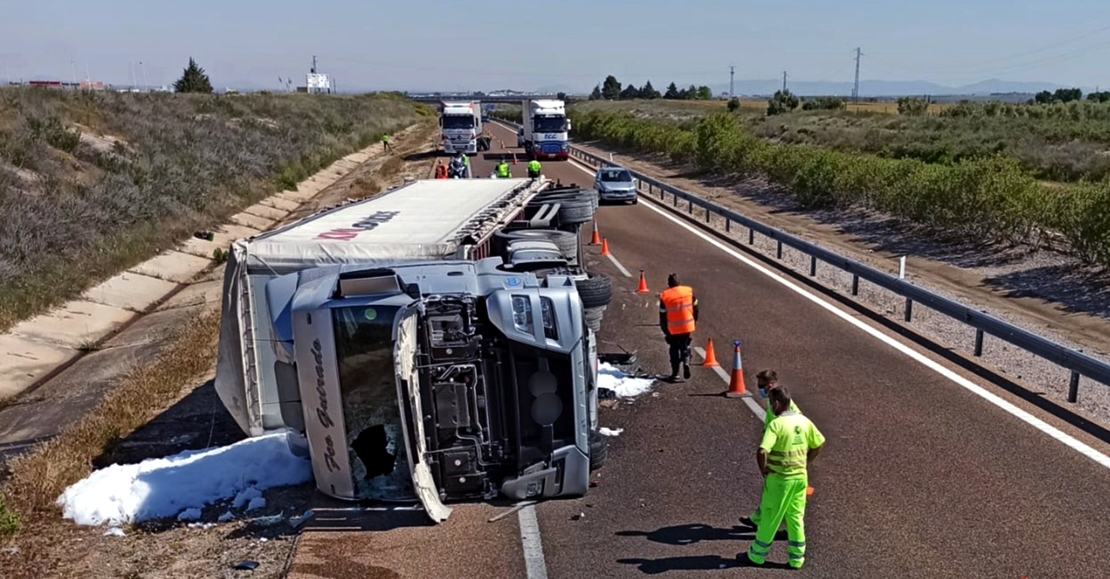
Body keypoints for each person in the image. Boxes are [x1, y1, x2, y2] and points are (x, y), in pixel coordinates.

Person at [744, 386, 825, 570]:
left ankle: (756, 555)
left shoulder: (777, 424)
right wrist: (805, 461)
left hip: (780, 479)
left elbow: (762, 450)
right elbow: (819, 443)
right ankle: (796, 559)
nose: (771, 407)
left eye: (771, 403)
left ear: (777, 403)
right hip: (800, 478)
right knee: (796, 517)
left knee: (770, 516)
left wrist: (763, 470)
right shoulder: (804, 421)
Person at [740, 369, 801, 529]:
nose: (759, 389)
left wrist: (765, 463)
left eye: (761, 385)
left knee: (777, 492)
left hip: (783, 455)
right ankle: (757, 518)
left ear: (771, 385)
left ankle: (773, 526)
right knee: (773, 491)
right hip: (779, 451)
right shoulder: (773, 400)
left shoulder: (781, 405)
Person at [658, 273, 698, 382]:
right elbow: (696, 309)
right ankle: (686, 360)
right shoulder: (688, 292)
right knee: (685, 345)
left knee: (674, 348)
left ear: (669, 284)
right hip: (687, 325)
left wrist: (665, 330)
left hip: (672, 328)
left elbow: (662, 315)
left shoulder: (665, 296)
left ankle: (675, 374)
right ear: (679, 282)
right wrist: (694, 321)